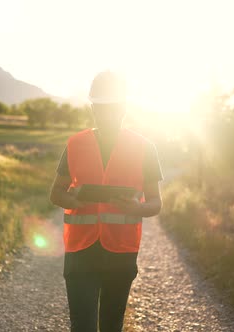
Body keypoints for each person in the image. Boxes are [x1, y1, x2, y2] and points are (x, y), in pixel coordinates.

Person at [49, 71, 163, 332]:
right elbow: (55, 193)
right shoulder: (75, 144)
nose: (106, 114)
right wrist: (74, 201)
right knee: (83, 327)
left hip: (121, 252)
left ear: (123, 108)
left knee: (111, 327)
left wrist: (137, 208)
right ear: (92, 108)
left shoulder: (145, 148)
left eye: (111, 108)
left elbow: (156, 203)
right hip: (80, 251)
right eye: (100, 108)